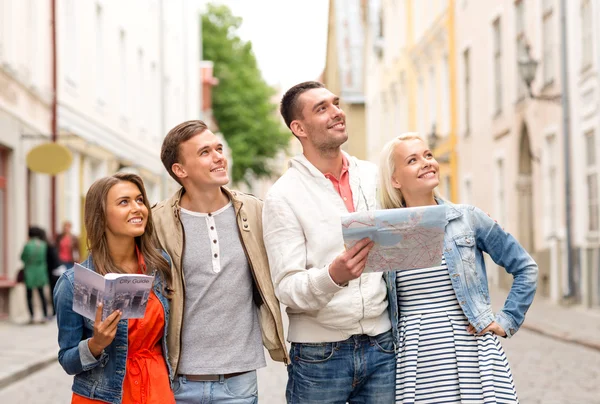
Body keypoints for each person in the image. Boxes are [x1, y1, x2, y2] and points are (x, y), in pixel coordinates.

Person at [262, 81, 397, 404]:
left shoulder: (372, 176)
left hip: (382, 345)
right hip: (319, 355)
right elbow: (286, 286)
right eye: (321, 109)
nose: (337, 113)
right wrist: (332, 276)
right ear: (299, 128)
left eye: (335, 104)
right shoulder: (283, 197)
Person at [378, 133, 538, 403]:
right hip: (416, 358)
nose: (426, 163)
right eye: (413, 160)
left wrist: (505, 321)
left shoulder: (468, 219)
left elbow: (525, 268)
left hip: (472, 353)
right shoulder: (385, 233)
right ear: (395, 179)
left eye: (428, 155)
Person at [152, 119, 288, 403]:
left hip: (239, 381)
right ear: (180, 170)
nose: (218, 157)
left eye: (218, 148)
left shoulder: (254, 211)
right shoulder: (158, 221)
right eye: (205, 152)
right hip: (177, 381)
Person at [54, 173, 175, 404]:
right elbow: (67, 360)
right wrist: (95, 345)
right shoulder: (74, 283)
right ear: (101, 215)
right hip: (103, 396)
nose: (137, 208)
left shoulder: (160, 265)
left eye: (140, 200)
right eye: (124, 202)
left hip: (156, 390)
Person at [21, 226, 50, 323]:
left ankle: (32, 316)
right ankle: (45, 315)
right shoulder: (43, 245)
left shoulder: (27, 245)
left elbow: (22, 257)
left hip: (30, 271)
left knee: (29, 295)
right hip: (41, 271)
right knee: (42, 294)